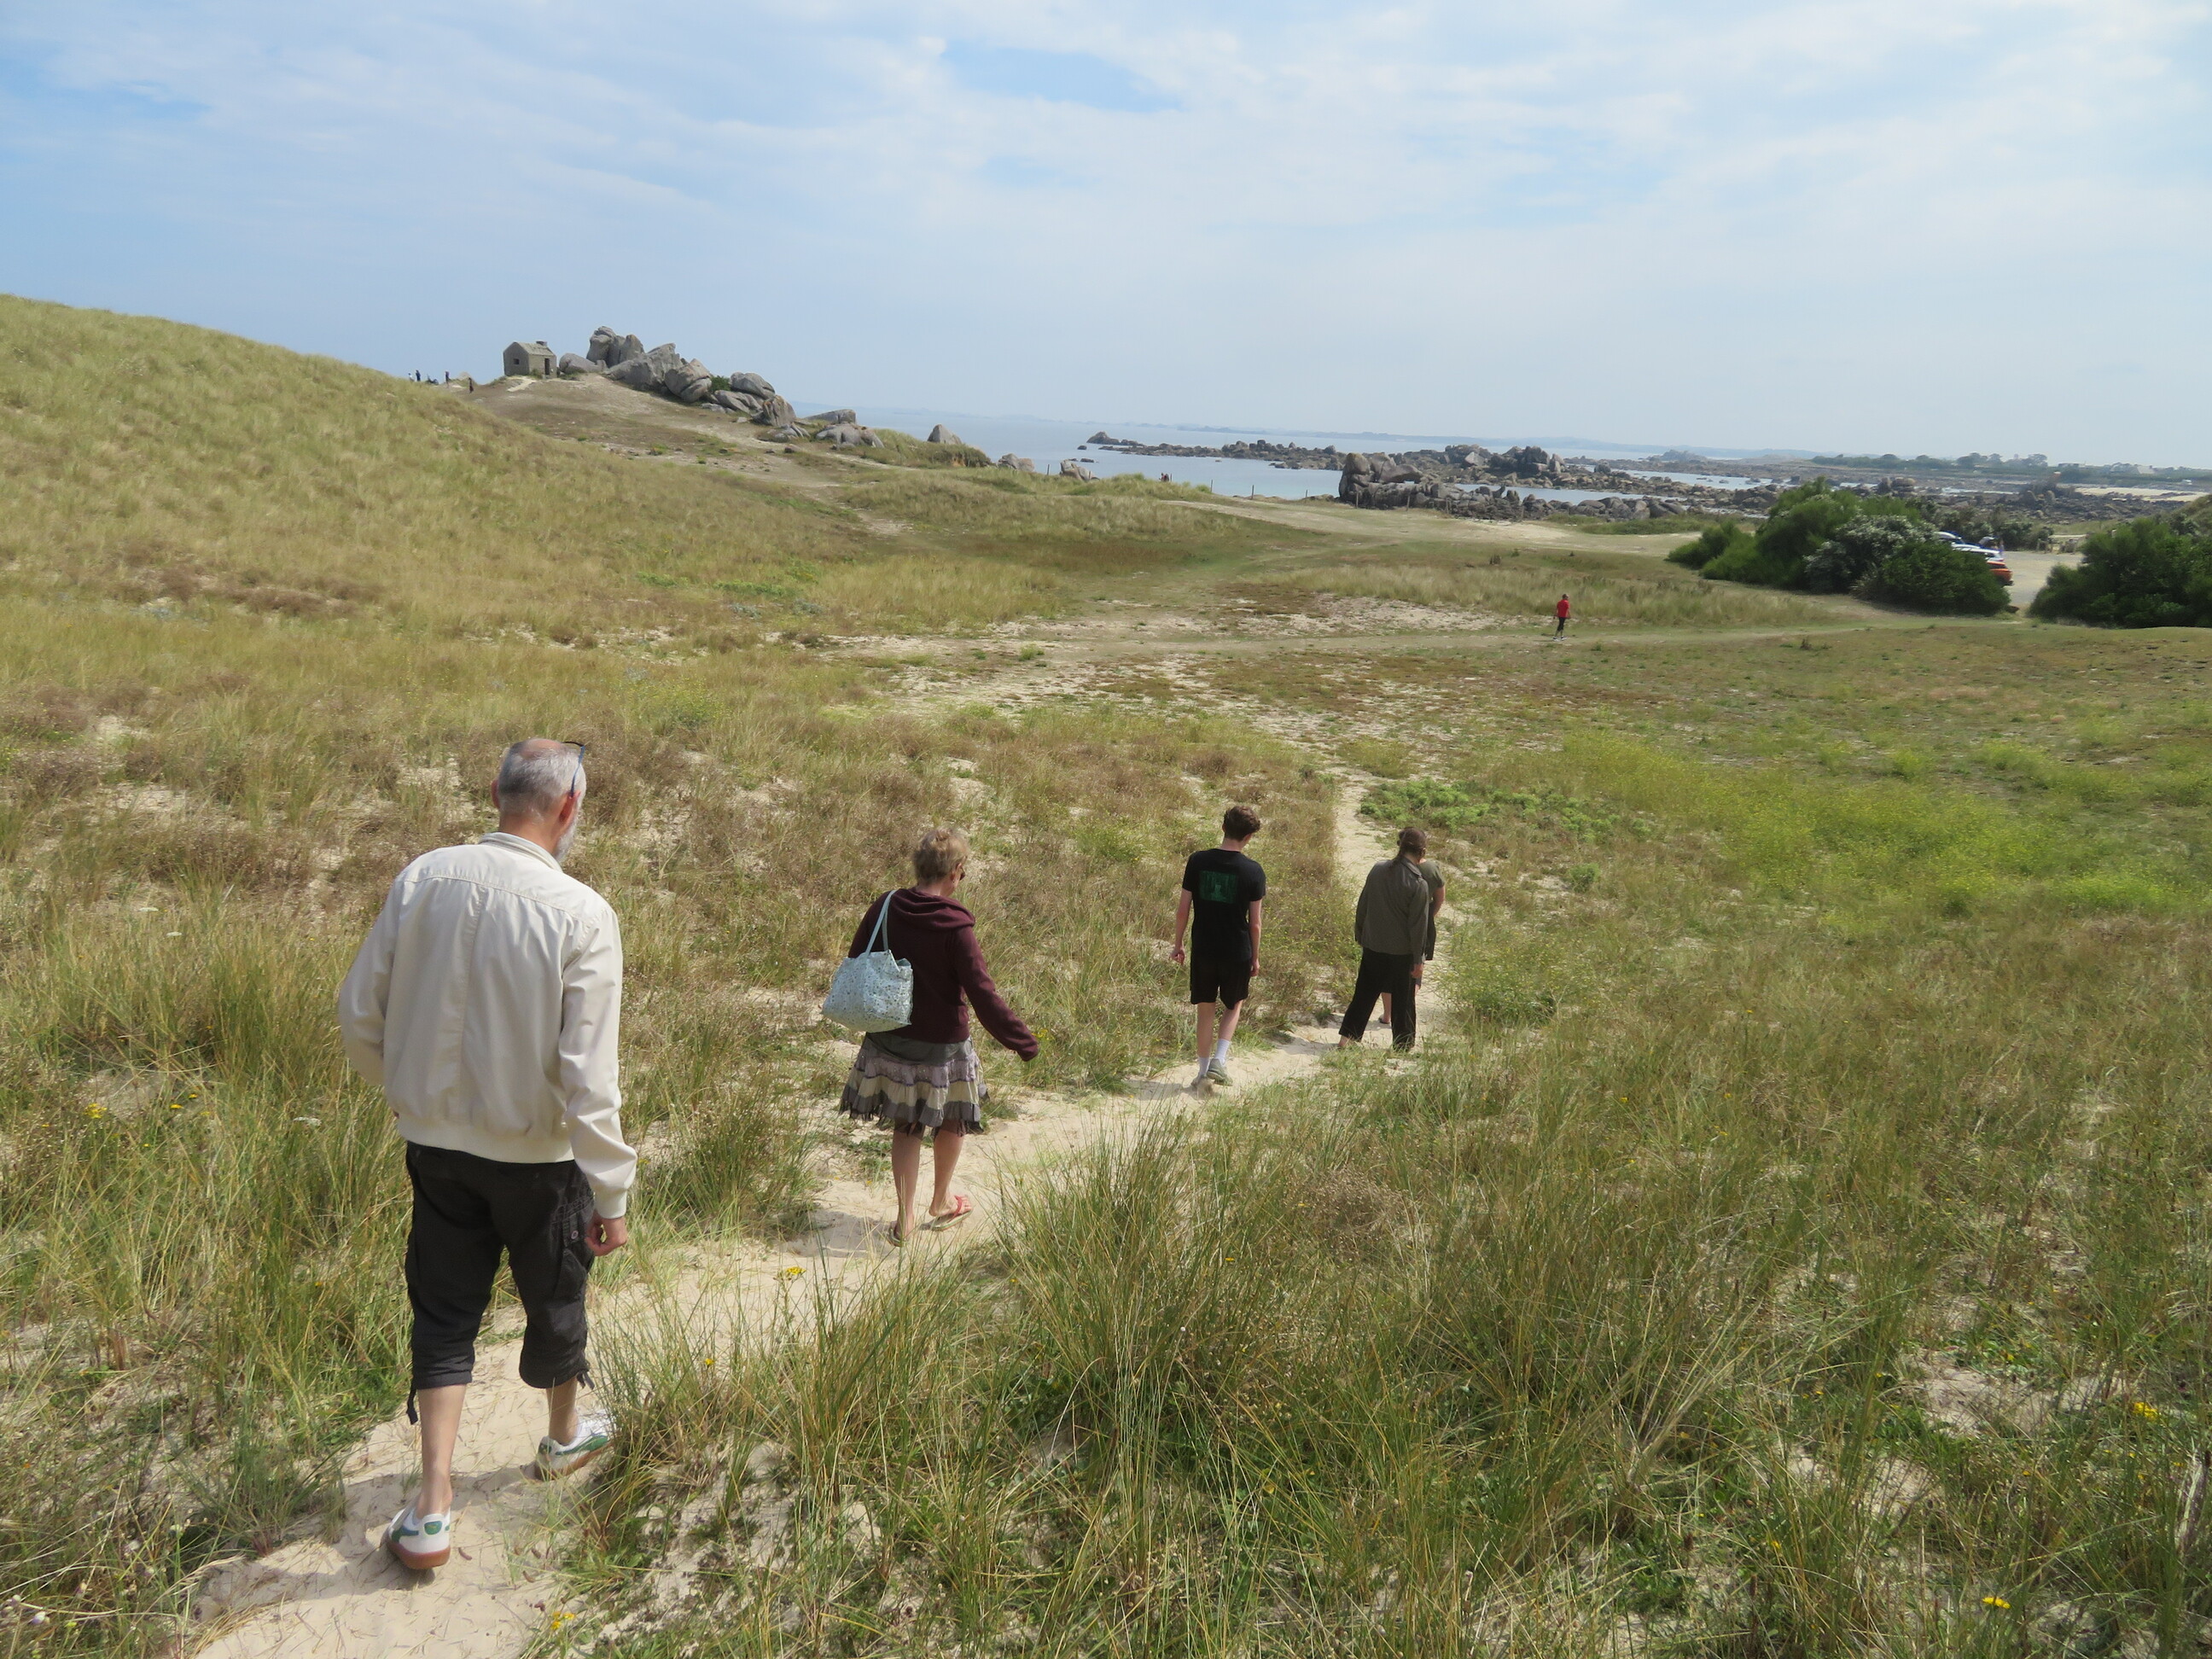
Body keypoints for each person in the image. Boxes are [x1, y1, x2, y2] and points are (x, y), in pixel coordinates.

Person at [338, 739, 634, 1572]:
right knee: (556, 1294)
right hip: (539, 1156)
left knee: (443, 1311)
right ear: (568, 808)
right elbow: (589, 1077)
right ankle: (563, 1437)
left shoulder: (423, 878)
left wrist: (406, 1092)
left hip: (435, 1144)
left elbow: (359, 1011)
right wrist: (612, 1193)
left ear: (495, 791)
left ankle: (432, 1504)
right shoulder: (583, 913)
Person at [841, 828, 1036, 1243]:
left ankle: (905, 1218)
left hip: (889, 1036)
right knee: (953, 1119)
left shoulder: (886, 906)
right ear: (955, 872)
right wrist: (1021, 1040)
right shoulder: (955, 925)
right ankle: (942, 1201)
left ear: (919, 866)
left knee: (906, 1127)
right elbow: (982, 993)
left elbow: (857, 958)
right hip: (944, 1045)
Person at [1171, 806, 1266, 1089]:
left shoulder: (1198, 861)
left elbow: (1183, 910)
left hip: (1204, 947)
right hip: (1237, 949)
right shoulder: (1253, 870)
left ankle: (1202, 1072)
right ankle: (1220, 1060)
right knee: (1234, 1004)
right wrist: (1255, 957)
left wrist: (1178, 944)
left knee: (1205, 1009)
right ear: (1248, 837)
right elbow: (1255, 924)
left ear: (1223, 827)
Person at [1339, 827, 1445, 1051]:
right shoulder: (1418, 883)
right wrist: (1418, 959)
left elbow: (1363, 904)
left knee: (1364, 995)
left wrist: (1361, 934)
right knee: (1404, 1000)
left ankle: (1346, 1040)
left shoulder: (1378, 869)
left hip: (1373, 944)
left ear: (1400, 847)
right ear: (1422, 851)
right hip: (1402, 952)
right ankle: (1402, 1046)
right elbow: (1418, 926)